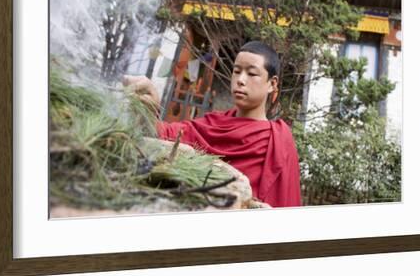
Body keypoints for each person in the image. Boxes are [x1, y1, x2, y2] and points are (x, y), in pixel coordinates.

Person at [122, 41, 301, 208]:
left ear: (272, 84)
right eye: (236, 71)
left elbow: (284, 203)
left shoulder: (278, 141)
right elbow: (163, 134)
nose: (240, 79)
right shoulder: (213, 124)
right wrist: (149, 105)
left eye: (252, 73)